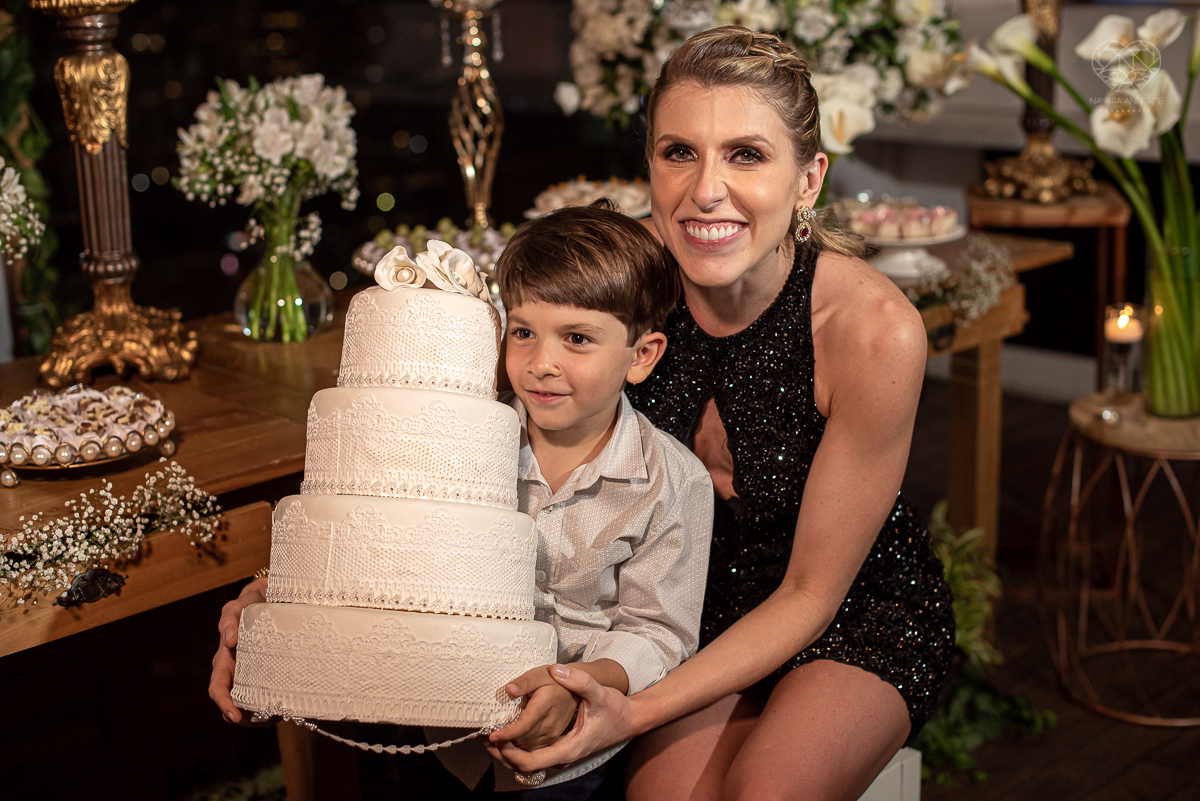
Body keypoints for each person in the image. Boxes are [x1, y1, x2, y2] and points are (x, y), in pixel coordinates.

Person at [486, 27, 956, 801]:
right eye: (679, 152)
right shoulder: (619, 279)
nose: (706, 190)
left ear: (808, 179)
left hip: (846, 612)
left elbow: (811, 593)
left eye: (746, 155)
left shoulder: (873, 330)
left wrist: (630, 712)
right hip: (679, 609)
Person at [208, 203, 715, 799]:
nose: (541, 363)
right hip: (440, 736)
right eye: (523, 332)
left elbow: (658, 632)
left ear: (641, 355)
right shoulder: (452, 440)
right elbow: (379, 536)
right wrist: (280, 601)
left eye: (577, 339)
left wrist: (576, 683)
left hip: (569, 752)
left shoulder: (672, 481)